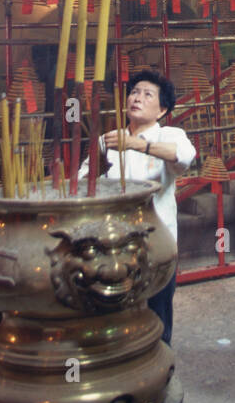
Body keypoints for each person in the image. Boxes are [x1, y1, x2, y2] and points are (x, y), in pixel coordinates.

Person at [77, 69, 196, 345]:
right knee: (116, 316)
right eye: (134, 92)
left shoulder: (171, 134)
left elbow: (184, 157)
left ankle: (160, 373)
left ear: (162, 109)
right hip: (113, 247)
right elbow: (84, 181)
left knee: (157, 316)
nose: (137, 98)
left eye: (147, 94)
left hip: (157, 245)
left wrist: (136, 145)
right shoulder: (109, 140)